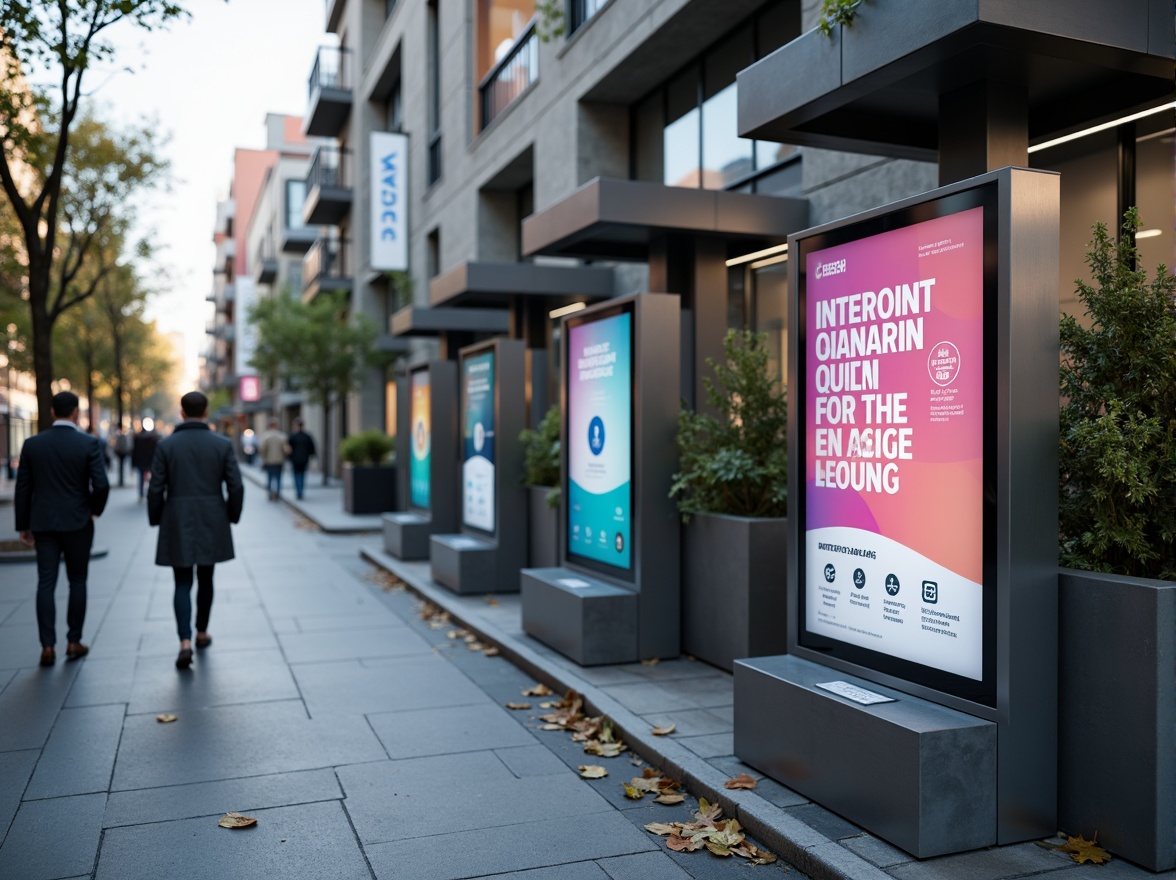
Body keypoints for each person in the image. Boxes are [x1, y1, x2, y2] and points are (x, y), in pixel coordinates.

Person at [147, 391, 244, 669]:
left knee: (181, 581)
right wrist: (231, 516)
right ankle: (202, 632)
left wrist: (157, 518)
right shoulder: (222, 444)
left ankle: (184, 641)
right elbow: (235, 486)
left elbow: (156, 487)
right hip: (212, 516)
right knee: (206, 576)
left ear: (181, 412)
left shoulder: (166, 446)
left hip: (177, 516)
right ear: (206, 412)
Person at [14, 391, 110, 666]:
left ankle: (47, 646)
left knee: (46, 582)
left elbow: (24, 487)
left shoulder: (33, 444)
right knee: (77, 580)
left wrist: (23, 524)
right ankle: (73, 641)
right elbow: (101, 485)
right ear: (76, 413)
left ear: (53, 412)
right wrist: (94, 510)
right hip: (78, 521)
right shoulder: (88, 443)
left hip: (43, 522)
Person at [258, 419, 289, 501]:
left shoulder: (265, 436)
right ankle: (277, 493)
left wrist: (264, 458)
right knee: (278, 478)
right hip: (279, 461)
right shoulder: (282, 436)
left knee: (270, 478)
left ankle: (270, 493)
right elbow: (286, 449)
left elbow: (262, 449)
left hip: (269, 461)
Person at [131, 417, 160, 502]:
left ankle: (142, 494)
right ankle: (149, 493)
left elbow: (134, 451)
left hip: (142, 461)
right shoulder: (156, 437)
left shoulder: (138, 437)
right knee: (152, 478)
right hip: (151, 461)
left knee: (142, 479)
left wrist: (133, 464)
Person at [286, 418, 316, 500]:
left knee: (298, 475)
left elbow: (287, 448)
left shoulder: (293, 436)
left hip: (296, 459)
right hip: (302, 459)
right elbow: (312, 448)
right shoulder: (306, 436)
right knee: (301, 475)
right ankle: (300, 491)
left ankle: (299, 491)